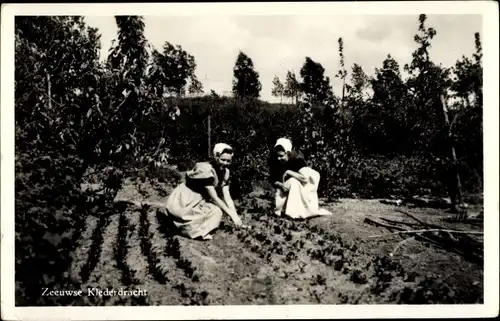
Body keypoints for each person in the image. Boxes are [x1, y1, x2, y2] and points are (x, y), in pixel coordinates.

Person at [165, 143, 246, 240]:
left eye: (228, 161)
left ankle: (196, 231)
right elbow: (214, 198)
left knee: (216, 211)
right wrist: (232, 216)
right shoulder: (205, 169)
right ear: (216, 157)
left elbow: (227, 197)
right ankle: (182, 229)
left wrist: (236, 217)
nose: (225, 163)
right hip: (186, 199)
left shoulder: (225, 172)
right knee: (188, 216)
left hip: (200, 199)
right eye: (222, 160)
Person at [268, 137, 332, 219]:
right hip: (283, 193)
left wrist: (288, 172)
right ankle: (287, 211)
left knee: (297, 180)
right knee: (293, 181)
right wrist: (281, 185)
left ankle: (294, 212)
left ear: (288, 153)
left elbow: (305, 178)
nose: (279, 158)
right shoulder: (276, 163)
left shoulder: (297, 161)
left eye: (281, 156)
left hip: (298, 191)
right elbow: (273, 179)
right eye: (277, 156)